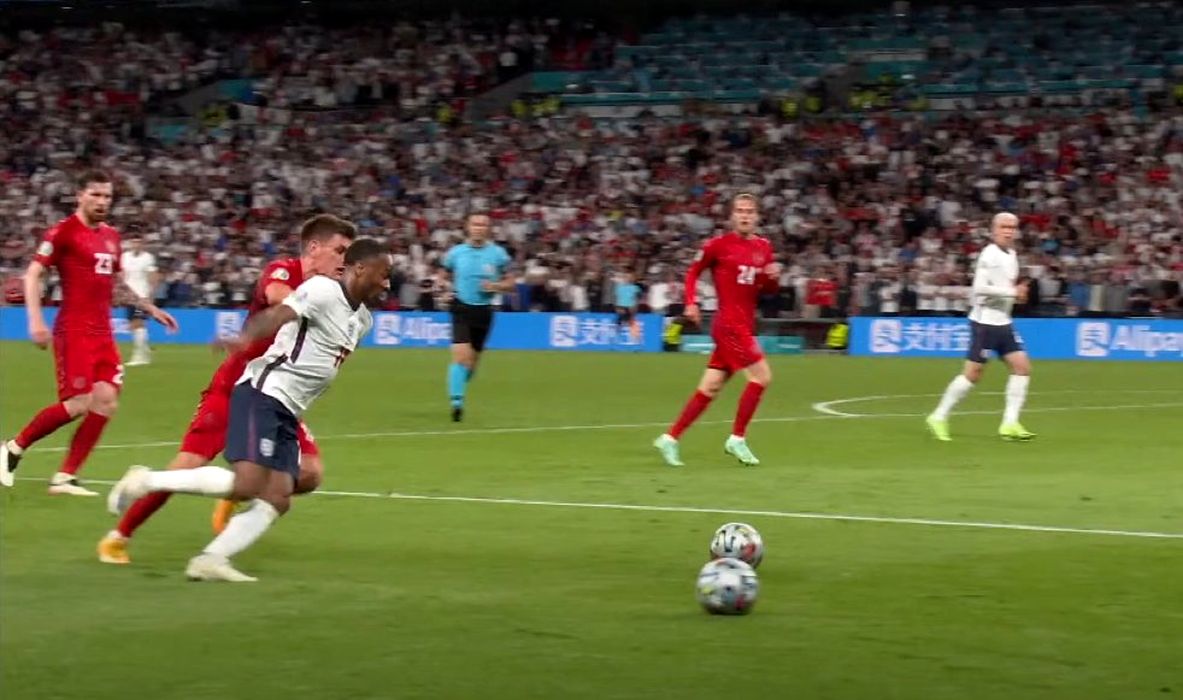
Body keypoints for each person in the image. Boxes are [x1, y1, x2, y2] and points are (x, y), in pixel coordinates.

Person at [106, 238, 392, 582]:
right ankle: (146, 480)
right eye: (383, 274)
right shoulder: (322, 290)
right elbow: (278, 314)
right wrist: (244, 339)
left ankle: (211, 559)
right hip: (263, 393)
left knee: (278, 497)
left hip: (289, 410)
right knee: (247, 484)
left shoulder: (363, 321)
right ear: (360, 268)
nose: (387, 283)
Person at [0, 171, 178, 495]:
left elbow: (116, 284)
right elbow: (33, 274)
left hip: (102, 332)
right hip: (75, 329)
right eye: (95, 195)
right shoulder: (63, 232)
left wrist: (148, 307)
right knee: (78, 403)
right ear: (79, 195)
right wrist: (35, 321)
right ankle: (12, 448)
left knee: (106, 401)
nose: (102, 202)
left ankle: (65, 477)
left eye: (107, 196)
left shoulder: (111, 236)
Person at [653, 193, 780, 467]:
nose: (745, 215)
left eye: (750, 211)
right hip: (729, 325)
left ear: (757, 216)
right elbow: (693, 272)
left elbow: (768, 290)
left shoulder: (764, 247)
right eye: (740, 210)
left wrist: (772, 277)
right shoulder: (718, 245)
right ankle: (737, 438)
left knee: (710, 387)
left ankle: (670, 438)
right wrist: (691, 302)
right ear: (732, 216)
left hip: (744, 324)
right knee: (762, 376)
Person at [926, 212, 1035, 442]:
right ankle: (938, 416)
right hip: (984, 323)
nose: (1008, 231)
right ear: (994, 230)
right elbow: (979, 289)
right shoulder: (989, 254)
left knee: (1022, 367)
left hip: (1003, 322)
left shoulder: (1012, 254)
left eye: (1012, 227)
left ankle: (1010, 424)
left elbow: (1004, 288)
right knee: (972, 375)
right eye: (1004, 227)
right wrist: (1012, 292)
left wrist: (1017, 296)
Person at [440, 212, 513, 422]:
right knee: (460, 357)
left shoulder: (498, 254)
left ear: (488, 229)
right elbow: (442, 276)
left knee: (471, 366)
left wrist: (496, 286)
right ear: (468, 227)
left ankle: (459, 384)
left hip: (484, 312)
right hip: (461, 308)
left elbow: (511, 283)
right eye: (475, 224)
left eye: (483, 225)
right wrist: (443, 288)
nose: (479, 228)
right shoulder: (456, 253)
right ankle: (457, 404)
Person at [120, 234, 159, 366]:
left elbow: (153, 276)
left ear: (142, 244)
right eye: (134, 242)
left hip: (142, 295)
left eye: (139, 242)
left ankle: (139, 356)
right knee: (133, 325)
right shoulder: (125, 257)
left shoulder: (148, 258)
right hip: (129, 295)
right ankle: (145, 351)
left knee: (138, 323)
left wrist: (150, 295)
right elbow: (122, 274)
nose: (136, 245)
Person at [614, 271, 642, 342]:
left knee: (631, 321)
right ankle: (617, 336)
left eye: (630, 277)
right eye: (626, 277)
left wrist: (635, 306)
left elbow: (638, 297)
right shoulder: (619, 287)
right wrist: (617, 307)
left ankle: (636, 337)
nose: (628, 278)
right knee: (620, 321)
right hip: (621, 307)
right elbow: (617, 297)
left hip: (630, 307)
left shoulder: (635, 287)